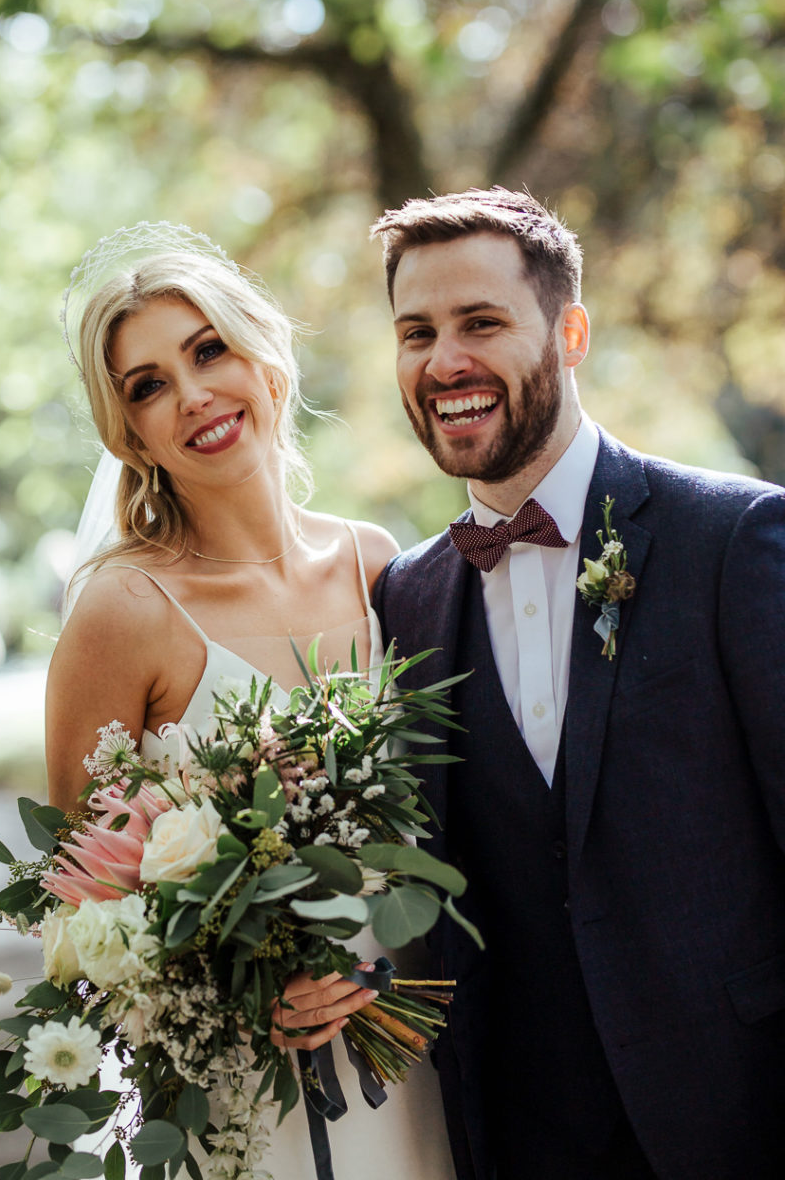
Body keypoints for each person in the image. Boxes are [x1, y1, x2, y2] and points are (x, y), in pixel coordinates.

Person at [367, 187, 785, 1180]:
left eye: (481, 322)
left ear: (571, 332)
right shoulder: (404, 601)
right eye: (415, 332)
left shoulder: (732, 538)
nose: (444, 361)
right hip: (520, 1135)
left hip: (741, 1116)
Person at [45, 223, 456, 1180]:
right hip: (252, 1090)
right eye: (147, 386)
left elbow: (447, 832)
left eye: (207, 350)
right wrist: (242, 981)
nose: (191, 396)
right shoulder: (123, 610)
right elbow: (72, 911)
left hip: (417, 1051)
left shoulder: (376, 563)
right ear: (130, 433)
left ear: (264, 356)